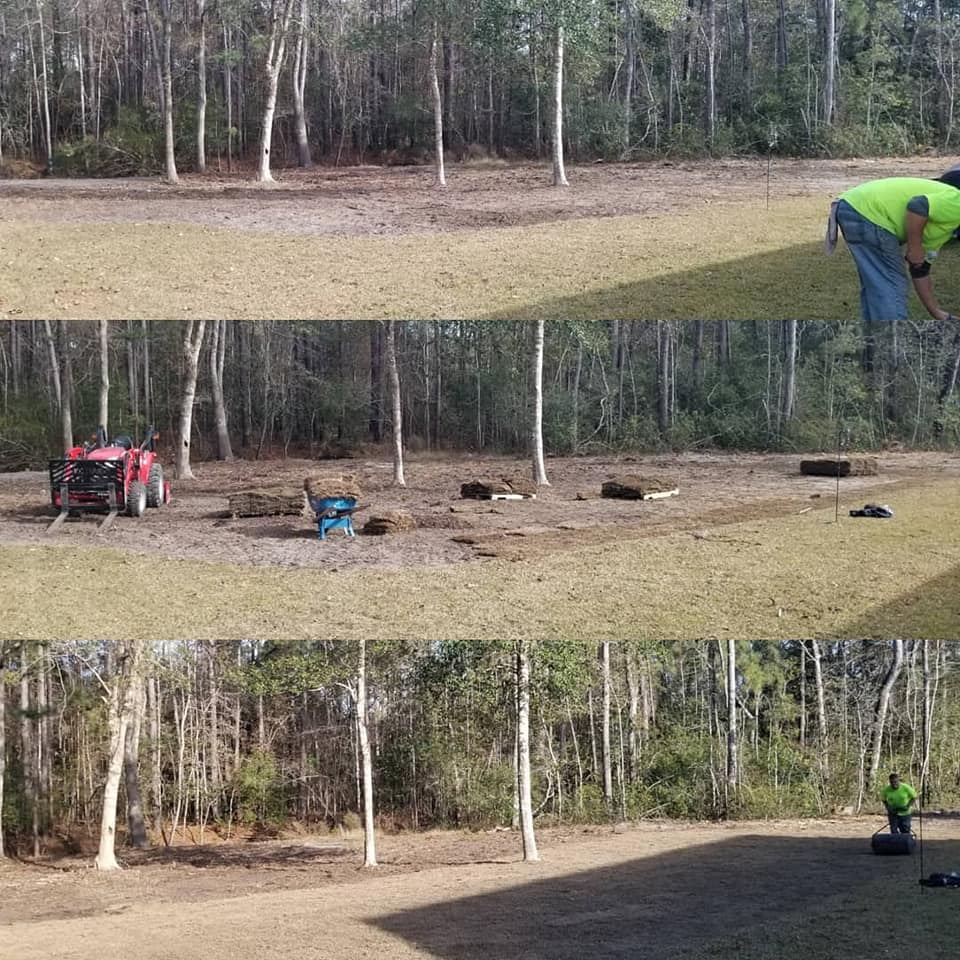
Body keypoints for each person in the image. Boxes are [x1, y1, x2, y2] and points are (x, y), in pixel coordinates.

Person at [826, 174, 960, 322]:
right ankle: (891, 340)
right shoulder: (957, 203)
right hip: (869, 211)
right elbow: (918, 205)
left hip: (854, 207)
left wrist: (936, 312)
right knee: (891, 284)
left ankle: (875, 339)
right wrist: (914, 248)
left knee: (878, 284)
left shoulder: (945, 231)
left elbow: (919, 270)